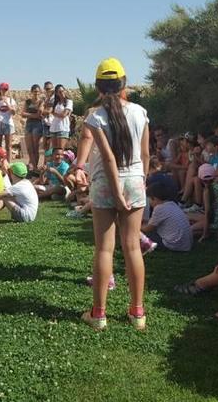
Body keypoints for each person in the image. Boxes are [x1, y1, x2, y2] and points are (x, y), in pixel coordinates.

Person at [72, 57, 150, 330]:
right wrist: (142, 180)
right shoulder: (140, 112)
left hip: (106, 183)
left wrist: (116, 193)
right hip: (135, 181)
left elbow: (107, 159)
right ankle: (137, 313)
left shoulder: (95, 117)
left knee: (105, 248)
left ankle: (99, 313)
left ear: (98, 87)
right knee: (132, 247)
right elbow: (145, 153)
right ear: (124, 84)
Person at [141, 175, 192, 252]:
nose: (150, 202)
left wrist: (137, 227)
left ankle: (147, 246)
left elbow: (148, 228)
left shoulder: (159, 209)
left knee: (141, 235)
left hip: (174, 245)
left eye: (149, 200)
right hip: (186, 245)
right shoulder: (173, 204)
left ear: (154, 198)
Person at [187, 164, 218, 242]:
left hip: (215, 221)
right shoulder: (216, 186)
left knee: (188, 231)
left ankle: (211, 232)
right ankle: (216, 232)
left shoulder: (207, 191)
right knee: (189, 217)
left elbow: (208, 213)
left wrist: (204, 234)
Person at [0, 82, 17, 161]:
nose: (4, 91)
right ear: (0, 90)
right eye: (3, 89)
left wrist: (7, 103)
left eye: (6, 89)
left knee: (8, 146)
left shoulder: (11, 100)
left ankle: (8, 164)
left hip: (8, 124)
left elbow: (13, 113)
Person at [22, 84, 45, 170]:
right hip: (29, 124)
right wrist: (34, 115)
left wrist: (29, 115)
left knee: (36, 147)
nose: (36, 93)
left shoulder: (41, 101)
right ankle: (33, 165)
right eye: (35, 91)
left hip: (37, 125)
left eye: (38, 91)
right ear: (31, 92)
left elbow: (40, 113)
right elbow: (22, 113)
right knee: (29, 147)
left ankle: (35, 167)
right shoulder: (28, 102)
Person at [49, 84, 73, 149]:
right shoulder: (56, 103)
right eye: (59, 92)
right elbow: (49, 110)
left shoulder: (69, 102)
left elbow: (64, 115)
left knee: (60, 150)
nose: (62, 93)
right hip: (54, 128)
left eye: (63, 91)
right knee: (54, 150)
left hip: (63, 128)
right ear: (57, 93)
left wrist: (54, 114)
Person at [40, 81, 55, 153]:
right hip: (45, 122)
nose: (48, 90)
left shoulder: (54, 98)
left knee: (51, 144)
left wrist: (43, 110)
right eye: (46, 89)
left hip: (52, 123)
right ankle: (45, 162)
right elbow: (40, 110)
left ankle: (49, 162)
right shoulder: (45, 98)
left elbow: (49, 111)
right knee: (45, 145)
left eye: (49, 88)